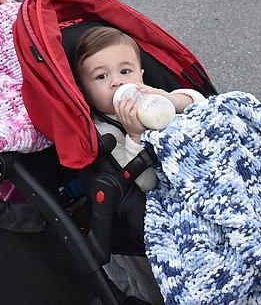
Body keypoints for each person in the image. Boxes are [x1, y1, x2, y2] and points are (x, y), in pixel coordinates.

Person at [72, 26, 206, 305]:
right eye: (101, 76)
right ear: (83, 90)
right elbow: (144, 183)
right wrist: (135, 136)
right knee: (150, 287)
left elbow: (201, 106)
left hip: (191, 191)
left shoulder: (152, 99)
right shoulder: (102, 132)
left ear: (141, 76)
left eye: (125, 71)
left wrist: (172, 99)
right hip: (141, 218)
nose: (116, 83)